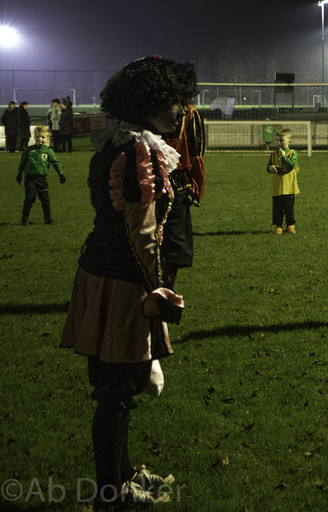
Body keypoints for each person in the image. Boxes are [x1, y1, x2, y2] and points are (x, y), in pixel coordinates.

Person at [60, 56, 192, 507]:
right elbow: (143, 234)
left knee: (117, 388)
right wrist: (159, 288)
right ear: (147, 103)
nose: (181, 110)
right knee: (117, 391)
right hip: (123, 282)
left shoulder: (115, 144)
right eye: (172, 101)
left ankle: (123, 476)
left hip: (98, 273)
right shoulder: (141, 151)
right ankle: (111, 493)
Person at [159, 104, 207, 289]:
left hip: (177, 182)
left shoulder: (189, 113)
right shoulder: (146, 109)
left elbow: (196, 151)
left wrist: (196, 186)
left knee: (174, 239)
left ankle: (166, 288)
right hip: (148, 180)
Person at [15, 126, 66, 225]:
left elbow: (55, 163)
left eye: (43, 137)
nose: (40, 139)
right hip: (30, 178)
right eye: (38, 136)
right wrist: (19, 174)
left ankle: (48, 220)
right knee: (30, 198)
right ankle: (24, 219)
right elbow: (22, 163)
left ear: (47, 138)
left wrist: (61, 174)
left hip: (41, 179)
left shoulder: (48, 151)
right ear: (34, 137)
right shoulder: (29, 150)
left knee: (45, 199)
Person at [266, 127, 300, 234]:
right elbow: (268, 166)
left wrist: (284, 157)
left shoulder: (292, 153)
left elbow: (291, 166)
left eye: (282, 140)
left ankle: (290, 225)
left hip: (289, 187)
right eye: (278, 140)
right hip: (277, 186)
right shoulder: (273, 154)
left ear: (289, 141)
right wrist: (270, 168)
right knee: (277, 208)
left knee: (289, 208)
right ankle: (278, 225)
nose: (280, 142)